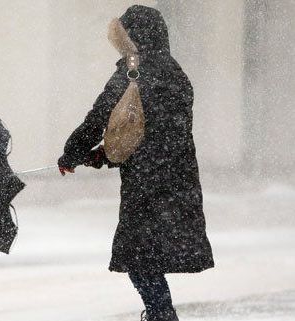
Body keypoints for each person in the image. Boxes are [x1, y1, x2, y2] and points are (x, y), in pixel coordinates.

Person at [57, 5, 214, 321]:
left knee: (139, 256)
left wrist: (73, 152)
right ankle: (160, 313)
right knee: (148, 256)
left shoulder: (134, 72)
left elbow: (100, 117)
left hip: (146, 184)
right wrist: (105, 155)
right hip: (177, 178)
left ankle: (161, 314)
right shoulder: (176, 74)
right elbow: (152, 131)